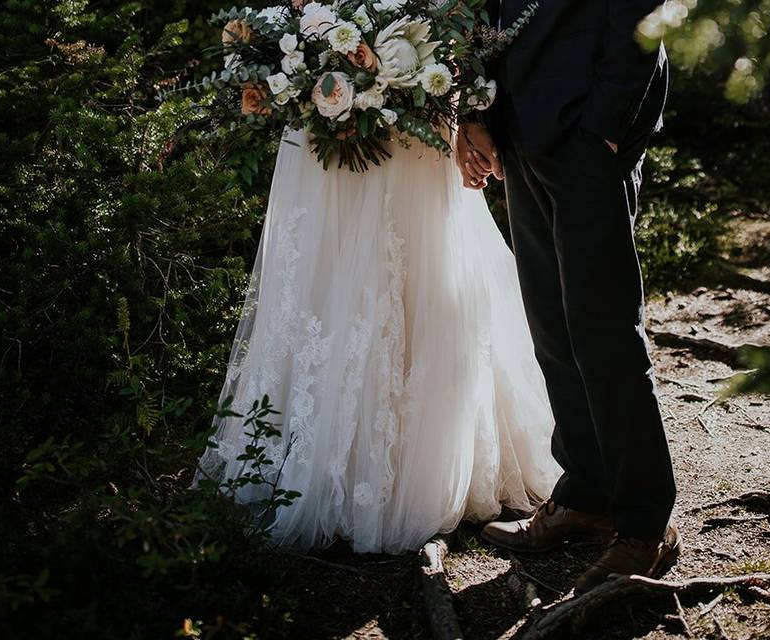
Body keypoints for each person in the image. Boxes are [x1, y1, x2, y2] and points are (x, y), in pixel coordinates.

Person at [195, 124, 562, 554]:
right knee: (330, 259)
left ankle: (418, 463)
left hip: (418, 123)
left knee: (418, 255)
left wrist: (462, 115)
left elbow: (465, 56)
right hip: (322, 125)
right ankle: (321, 458)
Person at [456, 0, 681, 592]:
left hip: (587, 131)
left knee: (603, 332)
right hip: (520, 129)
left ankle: (645, 523)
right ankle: (587, 495)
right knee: (552, 330)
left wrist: (604, 128)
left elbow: (641, 13)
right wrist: (475, 112)